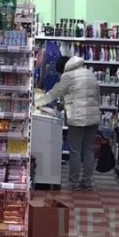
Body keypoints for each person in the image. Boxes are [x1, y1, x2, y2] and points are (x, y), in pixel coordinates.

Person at [37, 54, 102, 190]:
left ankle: (74, 182)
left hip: (78, 118)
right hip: (93, 116)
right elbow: (95, 96)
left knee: (75, 150)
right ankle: (87, 181)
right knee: (88, 149)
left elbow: (54, 93)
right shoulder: (89, 73)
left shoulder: (68, 76)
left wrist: (36, 102)